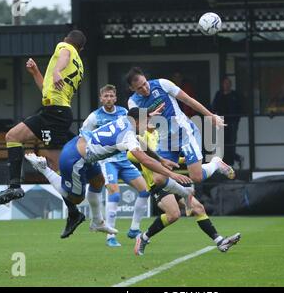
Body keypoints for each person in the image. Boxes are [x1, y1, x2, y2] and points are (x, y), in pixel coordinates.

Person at [25, 108, 194, 238]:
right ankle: (44, 168)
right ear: (137, 121)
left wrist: (161, 159)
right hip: (74, 158)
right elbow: (144, 160)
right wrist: (171, 174)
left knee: (98, 181)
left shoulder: (125, 120)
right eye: (146, 121)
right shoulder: (127, 134)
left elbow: (141, 143)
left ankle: (97, 222)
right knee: (75, 199)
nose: (149, 126)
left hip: (83, 150)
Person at [0, 30, 86, 212]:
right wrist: (36, 72)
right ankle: (14, 186)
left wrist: (57, 70)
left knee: (55, 164)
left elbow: (64, 56)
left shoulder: (65, 47)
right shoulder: (79, 65)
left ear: (68, 40)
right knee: (13, 136)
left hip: (56, 113)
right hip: (52, 111)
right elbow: (46, 89)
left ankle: (74, 211)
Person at [126, 123, 241, 255]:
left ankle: (220, 241)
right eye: (148, 119)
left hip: (172, 180)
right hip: (158, 184)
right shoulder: (140, 137)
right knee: (174, 215)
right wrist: (154, 157)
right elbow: (130, 155)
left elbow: (169, 157)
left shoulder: (161, 135)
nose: (152, 121)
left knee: (198, 208)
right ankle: (143, 238)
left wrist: (184, 160)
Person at [126, 67, 235, 198]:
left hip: (185, 134)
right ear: (132, 89)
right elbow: (144, 127)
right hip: (165, 139)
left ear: (145, 78)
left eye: (145, 83)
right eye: (139, 88)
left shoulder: (162, 84)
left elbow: (188, 100)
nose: (145, 88)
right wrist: (150, 118)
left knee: (197, 177)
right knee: (159, 179)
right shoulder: (133, 102)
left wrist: (210, 115)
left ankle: (216, 163)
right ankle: (185, 193)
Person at [81, 84, 152, 247]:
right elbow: (83, 133)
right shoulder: (94, 117)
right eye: (105, 96)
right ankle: (110, 236)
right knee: (114, 194)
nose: (108, 99)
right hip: (107, 161)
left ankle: (134, 228)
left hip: (124, 160)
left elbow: (135, 129)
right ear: (101, 98)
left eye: (111, 96)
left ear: (115, 97)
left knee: (145, 190)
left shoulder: (123, 113)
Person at [211, 77, 242, 166]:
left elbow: (240, 107)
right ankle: (225, 163)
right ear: (222, 84)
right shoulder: (219, 94)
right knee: (222, 142)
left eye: (228, 83)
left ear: (231, 85)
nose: (227, 85)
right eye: (225, 83)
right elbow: (214, 107)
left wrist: (237, 118)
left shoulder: (234, 95)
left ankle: (232, 163)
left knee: (231, 142)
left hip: (232, 122)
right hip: (221, 122)